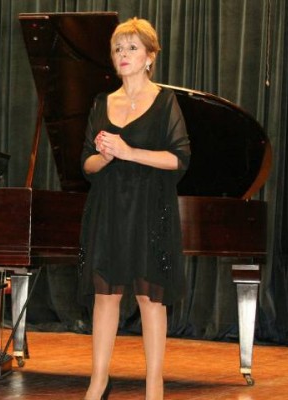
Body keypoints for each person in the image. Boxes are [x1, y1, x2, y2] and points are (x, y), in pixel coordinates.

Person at [79, 17, 191, 400]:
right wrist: (105, 157)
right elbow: (86, 165)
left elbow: (179, 160)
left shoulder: (165, 102)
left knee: (149, 297)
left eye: (131, 48)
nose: (123, 55)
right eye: (117, 49)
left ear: (150, 56)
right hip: (108, 208)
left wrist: (129, 152)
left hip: (149, 209)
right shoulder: (101, 103)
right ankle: (97, 382)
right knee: (105, 295)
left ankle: (154, 386)